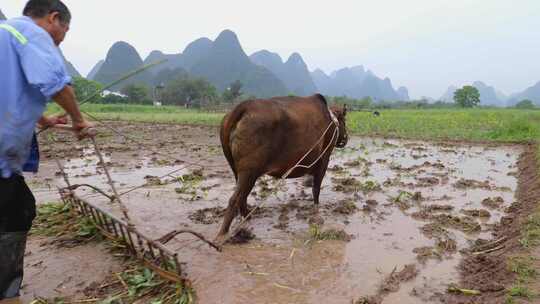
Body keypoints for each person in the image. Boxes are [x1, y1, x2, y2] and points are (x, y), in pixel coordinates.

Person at [0, 1, 94, 302]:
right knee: (18, 211)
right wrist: (79, 121)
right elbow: (56, 84)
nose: (62, 38)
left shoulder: (5, 34)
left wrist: (45, 120)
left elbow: (13, 87)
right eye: (65, 30)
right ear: (53, 19)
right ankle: (7, 292)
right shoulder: (32, 34)